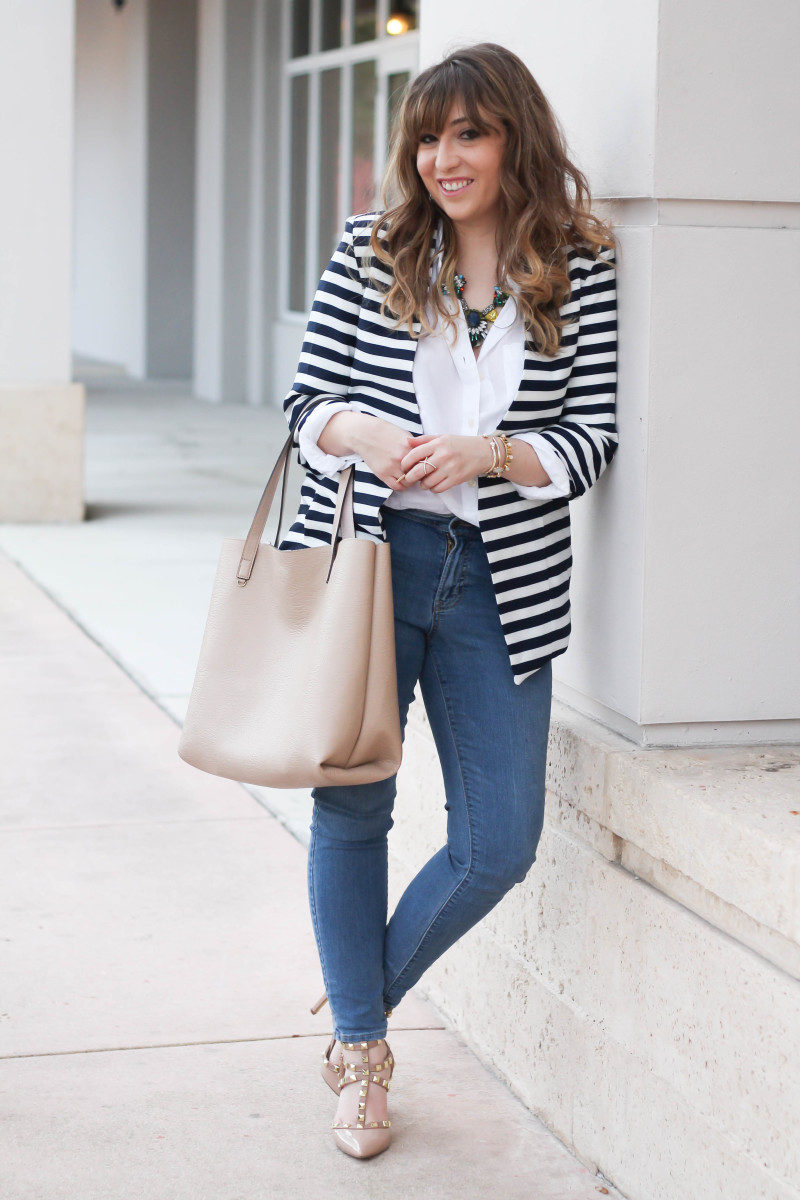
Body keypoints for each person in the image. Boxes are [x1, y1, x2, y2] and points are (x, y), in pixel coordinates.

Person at [280, 41, 619, 1160]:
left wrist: (494, 453)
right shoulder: (368, 249)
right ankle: (365, 1062)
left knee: (497, 842)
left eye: (468, 132)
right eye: (427, 136)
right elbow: (302, 404)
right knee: (353, 812)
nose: (443, 157)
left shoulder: (574, 265)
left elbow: (591, 436)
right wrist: (366, 432)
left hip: (499, 586)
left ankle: (351, 1004)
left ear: (513, 136)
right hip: (375, 565)